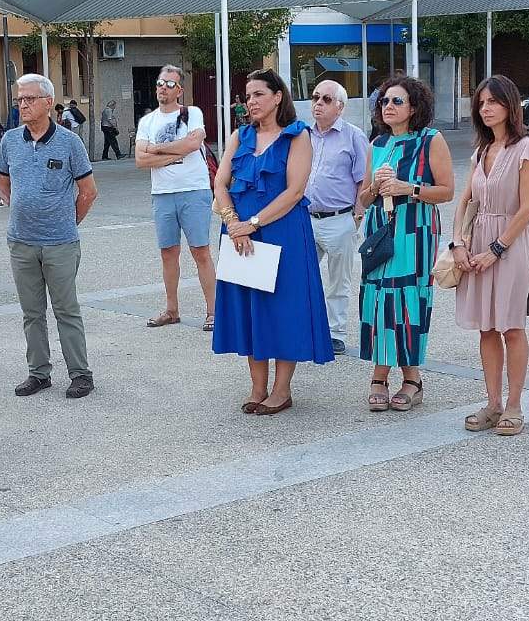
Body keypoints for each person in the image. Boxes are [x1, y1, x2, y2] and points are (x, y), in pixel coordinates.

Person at [212, 70, 332, 415]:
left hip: (282, 232)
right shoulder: (239, 135)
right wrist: (234, 223)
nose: (251, 101)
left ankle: (281, 391)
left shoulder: (297, 136)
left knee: (283, 308)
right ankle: (257, 387)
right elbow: (220, 183)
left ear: (278, 96)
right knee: (250, 308)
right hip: (239, 233)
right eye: (248, 95)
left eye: (259, 94)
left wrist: (252, 223)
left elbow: (295, 191)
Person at [0, 73, 98, 399]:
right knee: (32, 312)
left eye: (29, 99)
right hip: (21, 241)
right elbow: (2, 181)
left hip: (60, 243)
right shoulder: (10, 140)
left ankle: (81, 374)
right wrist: (22, 210)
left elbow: (88, 191)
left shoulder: (70, 143)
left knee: (66, 309)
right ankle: (38, 373)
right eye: (19, 100)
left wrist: (68, 222)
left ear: (47, 103)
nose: (22, 105)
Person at [451, 75, 529, 436]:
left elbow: (528, 207)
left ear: (510, 105)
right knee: (486, 328)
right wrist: (457, 242)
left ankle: (515, 404)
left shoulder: (527, 150)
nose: (486, 108)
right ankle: (493, 402)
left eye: (493, 102)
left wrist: (497, 248)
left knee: (512, 326)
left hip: (511, 243)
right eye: (481, 102)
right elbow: (465, 200)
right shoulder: (480, 151)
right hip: (477, 242)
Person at [359, 76, 455, 412]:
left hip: (415, 230)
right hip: (381, 229)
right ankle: (382, 374)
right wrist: (374, 188)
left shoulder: (430, 140)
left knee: (408, 299)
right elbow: (363, 198)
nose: (388, 107)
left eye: (397, 101)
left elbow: (446, 191)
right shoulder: (377, 144)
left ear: (414, 107)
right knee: (378, 298)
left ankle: (409, 377)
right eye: (384, 101)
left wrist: (407, 188)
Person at [133, 65, 215, 332]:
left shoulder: (193, 114)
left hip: (193, 190)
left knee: (200, 251)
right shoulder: (147, 121)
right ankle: (171, 309)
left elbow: (193, 145)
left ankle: (213, 311)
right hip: (162, 194)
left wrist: (156, 150)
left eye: (169, 84)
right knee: (168, 252)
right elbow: (140, 160)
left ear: (179, 90)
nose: (163, 88)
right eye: (159, 83)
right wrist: (174, 154)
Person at [304, 80, 370, 355]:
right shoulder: (304, 135)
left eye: (326, 99)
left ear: (340, 107)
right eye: (316, 97)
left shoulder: (354, 137)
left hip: (339, 219)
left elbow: (363, 180)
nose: (319, 103)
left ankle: (335, 332)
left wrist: (356, 215)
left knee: (338, 280)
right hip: (306, 218)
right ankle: (307, 326)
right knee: (304, 276)